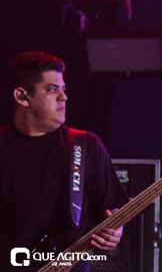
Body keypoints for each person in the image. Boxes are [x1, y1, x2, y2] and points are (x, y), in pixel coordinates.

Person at [0, 51, 129, 272]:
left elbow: (112, 211)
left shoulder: (85, 145)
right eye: (52, 89)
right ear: (22, 96)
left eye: (63, 88)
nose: (64, 96)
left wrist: (115, 231)